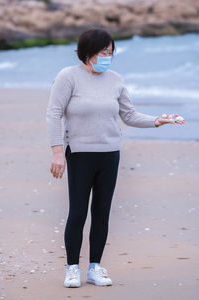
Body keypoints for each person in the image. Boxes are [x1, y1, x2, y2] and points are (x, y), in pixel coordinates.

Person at [46, 28, 184, 288]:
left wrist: (157, 120)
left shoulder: (115, 79)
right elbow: (53, 114)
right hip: (79, 153)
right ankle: (73, 267)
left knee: (102, 212)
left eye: (110, 53)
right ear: (87, 52)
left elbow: (129, 115)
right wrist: (57, 153)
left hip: (109, 153)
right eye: (102, 52)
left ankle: (94, 267)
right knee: (77, 213)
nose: (107, 57)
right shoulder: (68, 77)